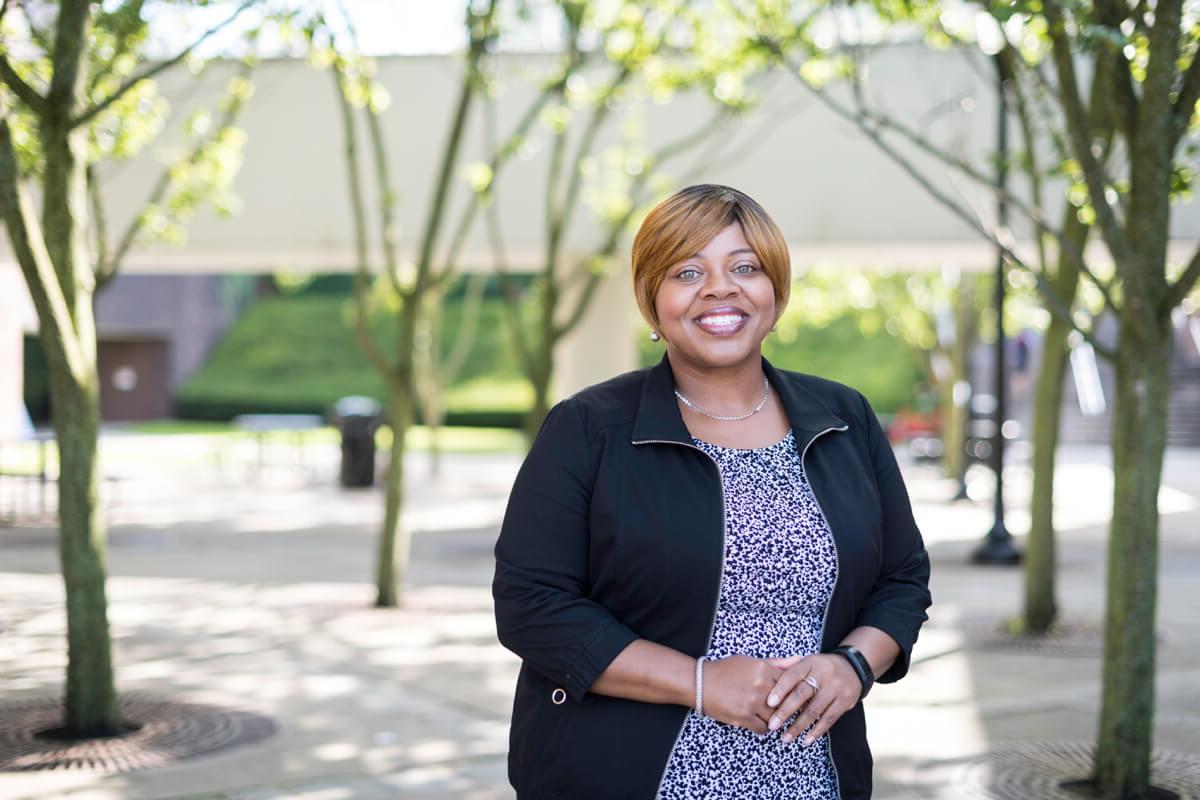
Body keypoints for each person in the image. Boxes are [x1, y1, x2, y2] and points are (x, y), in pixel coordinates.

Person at [493, 184, 932, 799]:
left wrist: (853, 665)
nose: (720, 288)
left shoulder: (844, 418)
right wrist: (700, 683)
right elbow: (531, 604)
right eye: (687, 271)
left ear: (775, 291)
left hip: (813, 779)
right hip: (624, 775)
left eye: (745, 267)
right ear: (653, 302)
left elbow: (903, 578)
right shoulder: (589, 428)